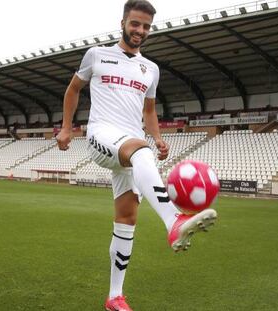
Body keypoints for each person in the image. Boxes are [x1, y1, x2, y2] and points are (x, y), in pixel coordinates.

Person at [56, 1, 217, 310]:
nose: (140, 31)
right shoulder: (97, 55)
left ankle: (115, 296)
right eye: (135, 24)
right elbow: (73, 89)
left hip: (132, 143)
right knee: (139, 151)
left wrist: (157, 137)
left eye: (145, 26)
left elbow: (149, 110)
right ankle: (173, 220)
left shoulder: (151, 69)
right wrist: (66, 127)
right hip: (101, 134)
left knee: (127, 218)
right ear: (123, 22)